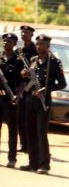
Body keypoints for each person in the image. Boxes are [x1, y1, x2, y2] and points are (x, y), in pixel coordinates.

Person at [19, 34, 67, 174]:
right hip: (30, 99)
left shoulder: (54, 63)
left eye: (41, 44)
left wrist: (47, 89)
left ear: (48, 46)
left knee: (41, 132)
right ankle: (32, 163)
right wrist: (25, 74)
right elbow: (29, 76)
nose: (39, 46)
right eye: (37, 44)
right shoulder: (33, 60)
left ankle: (44, 164)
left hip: (43, 101)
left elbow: (62, 84)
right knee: (30, 131)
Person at [0, 33, 22, 168]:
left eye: (8, 41)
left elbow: (22, 82)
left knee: (12, 129)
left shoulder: (18, 61)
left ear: (14, 44)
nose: (5, 43)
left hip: (10, 99)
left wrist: (17, 95)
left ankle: (12, 158)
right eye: (4, 41)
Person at [15, 25, 37, 153]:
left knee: (30, 118)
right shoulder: (19, 50)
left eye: (26, 32)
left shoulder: (35, 50)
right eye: (22, 32)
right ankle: (23, 144)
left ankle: (31, 144)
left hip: (31, 87)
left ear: (31, 35)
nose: (24, 34)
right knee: (20, 117)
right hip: (21, 87)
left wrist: (28, 72)